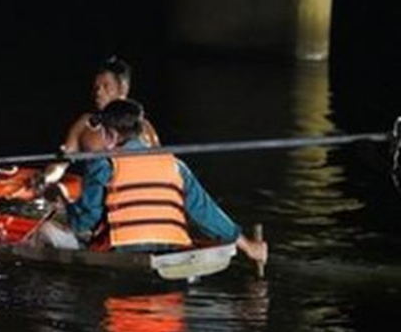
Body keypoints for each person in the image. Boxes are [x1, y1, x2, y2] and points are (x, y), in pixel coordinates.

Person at [42, 98, 268, 265]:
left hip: (123, 253)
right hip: (172, 248)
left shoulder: (102, 164)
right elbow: (206, 212)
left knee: (46, 230)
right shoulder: (176, 166)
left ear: (110, 135)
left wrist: (63, 203)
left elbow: (84, 223)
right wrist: (249, 247)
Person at [62, 56, 161, 153]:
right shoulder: (84, 124)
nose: (98, 92)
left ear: (123, 88)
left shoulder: (144, 126)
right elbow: (60, 164)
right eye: (96, 87)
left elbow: (163, 163)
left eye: (106, 86)